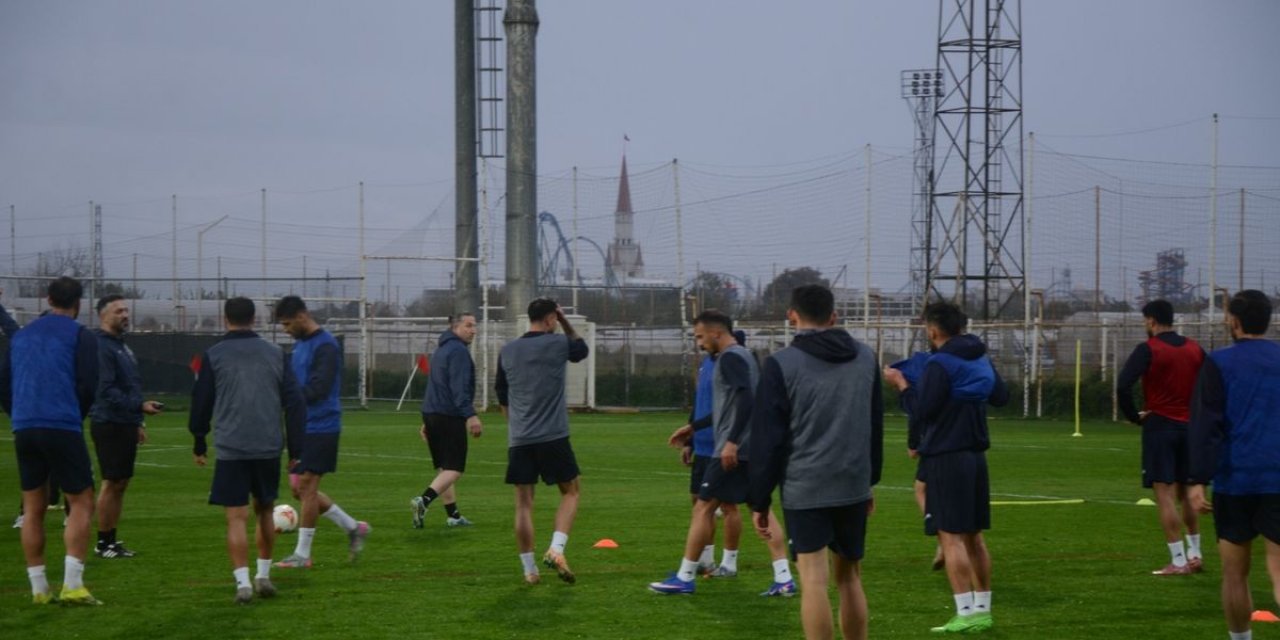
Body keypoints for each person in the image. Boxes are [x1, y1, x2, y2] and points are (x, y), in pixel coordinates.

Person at [749, 285, 883, 640]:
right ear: (834, 316)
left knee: (813, 581)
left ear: (793, 316)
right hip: (852, 482)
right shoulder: (866, 357)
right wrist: (869, 480)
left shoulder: (780, 364)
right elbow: (873, 424)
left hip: (805, 485)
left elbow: (768, 439)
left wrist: (759, 500)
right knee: (851, 577)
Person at [650, 310, 795, 597]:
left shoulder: (729, 358)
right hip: (753, 448)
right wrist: (693, 428)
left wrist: (731, 442)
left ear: (717, 333)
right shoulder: (744, 356)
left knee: (703, 507)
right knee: (762, 510)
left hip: (732, 451)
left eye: (700, 337)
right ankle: (784, 578)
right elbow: (730, 405)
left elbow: (746, 399)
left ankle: (685, 576)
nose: (699, 343)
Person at [883, 301, 1007, 634]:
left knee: (950, 538)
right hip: (975, 455)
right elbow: (1001, 396)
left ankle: (964, 613)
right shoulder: (979, 357)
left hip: (946, 455)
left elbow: (922, 410)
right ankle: (983, 610)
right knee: (975, 537)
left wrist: (901, 384)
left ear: (933, 329)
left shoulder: (941, 363)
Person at [189, 297, 305, 604]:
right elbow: (295, 402)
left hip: (232, 444)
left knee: (236, 517)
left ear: (226, 319)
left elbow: (201, 401)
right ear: (255, 319)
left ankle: (242, 582)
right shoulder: (277, 354)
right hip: (267, 443)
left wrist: (199, 440)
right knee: (265, 511)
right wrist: (295, 448)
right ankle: (263, 576)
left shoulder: (213, 355)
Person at [0, 276, 101, 605]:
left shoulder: (21, 336)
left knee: (32, 507)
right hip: (61, 422)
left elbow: (4, 381)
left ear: (47, 299)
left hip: (25, 425)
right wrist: (76, 413)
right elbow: (88, 381)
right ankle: (72, 584)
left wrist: (18, 415)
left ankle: (39, 588)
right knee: (82, 500)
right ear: (79, 303)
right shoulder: (80, 334)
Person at [1188, 290, 1280, 640]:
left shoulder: (1219, 362)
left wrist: (1197, 479)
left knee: (1234, 574)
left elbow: (1206, 423)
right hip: (1277, 479)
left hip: (1235, 480)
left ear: (1234, 321)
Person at [271, 296, 370, 569]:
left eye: (288, 324)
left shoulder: (326, 346)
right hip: (301, 426)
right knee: (298, 490)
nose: (285, 330)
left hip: (322, 425)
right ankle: (353, 527)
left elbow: (319, 389)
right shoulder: (301, 346)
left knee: (308, 486)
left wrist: (287, 398)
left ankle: (303, 556)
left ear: (302, 316)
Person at [496, 298, 589, 585]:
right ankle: (556, 549)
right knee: (571, 492)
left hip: (520, 438)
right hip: (553, 436)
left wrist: (516, 427)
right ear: (550, 318)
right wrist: (565, 321)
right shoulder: (558, 343)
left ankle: (529, 571)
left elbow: (502, 395)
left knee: (523, 504)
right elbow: (581, 349)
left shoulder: (508, 350)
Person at [1116, 299, 1205, 575]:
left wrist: (1134, 416)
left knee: (1164, 495)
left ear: (1151, 320)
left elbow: (1123, 384)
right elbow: (1210, 385)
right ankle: (1196, 554)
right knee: (1189, 492)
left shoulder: (1149, 349)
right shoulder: (1194, 348)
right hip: (1191, 427)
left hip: (1161, 427)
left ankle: (1177, 561)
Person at [89, 294, 164, 558]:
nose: (125, 315)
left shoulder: (122, 346)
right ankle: (103, 543)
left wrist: (137, 420)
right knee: (111, 482)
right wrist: (138, 408)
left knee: (121, 482)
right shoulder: (101, 346)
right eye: (119, 311)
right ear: (103, 315)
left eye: (126, 310)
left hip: (124, 421)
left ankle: (111, 539)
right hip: (108, 421)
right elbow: (105, 390)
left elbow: (130, 387)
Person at [666, 330, 745, 577]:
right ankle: (706, 560)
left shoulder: (731, 366)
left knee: (728, 505)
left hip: (722, 445)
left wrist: (693, 428)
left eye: (701, 337)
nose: (699, 343)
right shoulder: (707, 365)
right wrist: (690, 439)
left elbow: (727, 409)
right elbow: (700, 404)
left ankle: (729, 562)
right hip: (701, 444)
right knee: (699, 503)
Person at [411, 312, 483, 529]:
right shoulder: (458, 351)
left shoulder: (441, 349)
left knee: (444, 468)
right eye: (468, 325)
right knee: (455, 468)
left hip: (432, 412)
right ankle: (422, 501)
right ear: (455, 327)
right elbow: (458, 388)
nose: (473, 330)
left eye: (474, 326)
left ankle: (453, 515)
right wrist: (470, 415)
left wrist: (428, 420)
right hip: (449, 414)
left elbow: (436, 385)